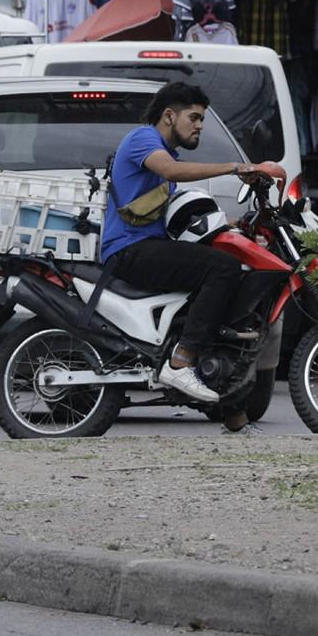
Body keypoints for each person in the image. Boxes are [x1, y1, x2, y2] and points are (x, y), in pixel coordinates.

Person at [102, 82, 257, 406]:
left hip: (147, 245)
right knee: (222, 268)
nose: (200, 125)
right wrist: (238, 167)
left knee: (220, 259)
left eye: (202, 119)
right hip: (129, 250)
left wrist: (234, 225)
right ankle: (182, 360)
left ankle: (230, 408)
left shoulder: (164, 151)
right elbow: (172, 170)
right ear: (169, 116)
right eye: (195, 117)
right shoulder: (145, 140)